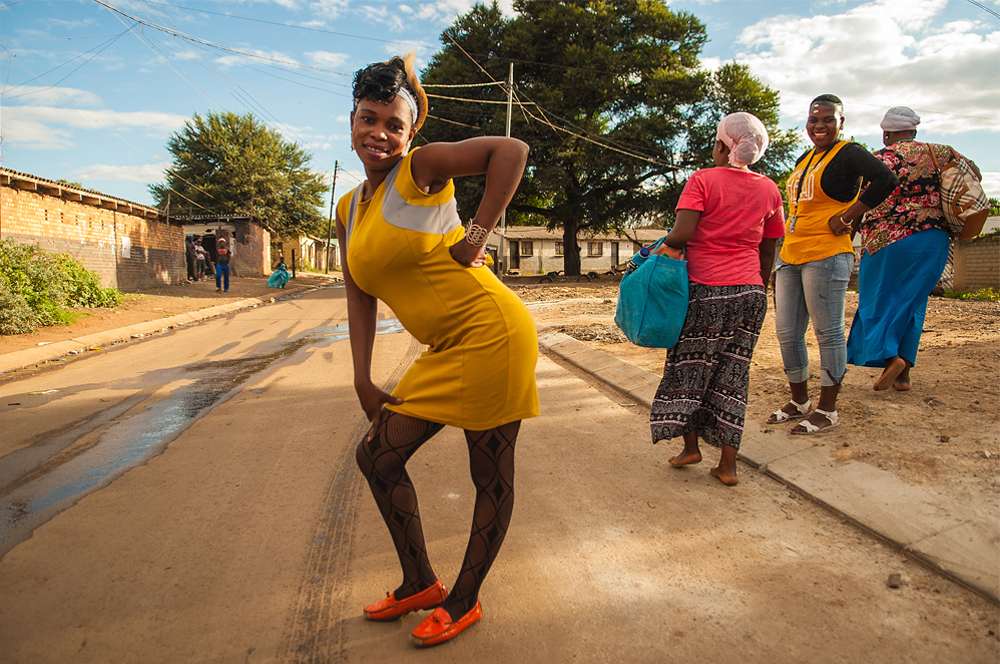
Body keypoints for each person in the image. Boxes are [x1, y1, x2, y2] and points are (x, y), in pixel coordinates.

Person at [336, 53, 537, 647]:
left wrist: (476, 236)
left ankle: (465, 599)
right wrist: (361, 376)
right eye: (368, 119)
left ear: (410, 132)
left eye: (393, 124)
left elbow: (512, 151)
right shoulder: (347, 208)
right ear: (351, 121)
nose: (380, 134)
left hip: (491, 332)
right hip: (447, 346)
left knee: (489, 473)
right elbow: (358, 297)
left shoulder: (419, 169)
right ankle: (420, 581)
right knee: (377, 456)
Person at [650, 113, 784, 486]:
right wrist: (759, 287)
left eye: (716, 142)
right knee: (733, 375)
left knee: (688, 367)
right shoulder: (770, 189)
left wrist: (661, 249)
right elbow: (769, 250)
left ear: (724, 146)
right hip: (750, 293)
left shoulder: (702, 180)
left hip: (703, 290)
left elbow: (682, 233)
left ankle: (690, 447)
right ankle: (728, 466)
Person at [767, 94, 898, 434]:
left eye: (828, 119)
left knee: (827, 333)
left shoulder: (849, 153)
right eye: (813, 120)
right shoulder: (805, 157)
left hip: (826, 253)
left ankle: (828, 409)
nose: (819, 125)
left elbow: (885, 180)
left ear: (842, 122)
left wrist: (849, 216)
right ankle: (800, 402)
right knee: (787, 334)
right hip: (791, 253)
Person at [847, 106, 984, 391]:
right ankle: (904, 376)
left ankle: (889, 358)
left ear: (886, 134)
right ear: (914, 131)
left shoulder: (880, 159)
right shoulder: (942, 153)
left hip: (887, 240)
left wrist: (848, 232)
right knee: (913, 303)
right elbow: (974, 174)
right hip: (932, 240)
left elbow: (862, 200)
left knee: (876, 301)